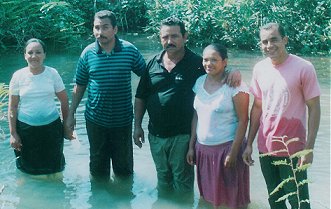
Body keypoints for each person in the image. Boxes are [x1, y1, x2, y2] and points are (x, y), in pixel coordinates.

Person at [133, 16, 241, 194]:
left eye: (174, 36)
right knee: (162, 178)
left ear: (185, 37)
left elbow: (216, 69)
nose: (170, 41)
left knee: (182, 182)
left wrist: (233, 71)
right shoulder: (152, 63)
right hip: (156, 135)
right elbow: (140, 97)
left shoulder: (197, 63)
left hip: (183, 135)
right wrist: (137, 126)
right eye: (165, 37)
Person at [242, 23, 321, 209]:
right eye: (264, 42)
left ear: (285, 40)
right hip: (266, 147)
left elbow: (314, 109)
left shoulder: (304, 68)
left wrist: (308, 149)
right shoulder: (259, 69)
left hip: (294, 148)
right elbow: (257, 108)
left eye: (274, 40)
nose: (269, 45)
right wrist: (249, 144)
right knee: (275, 198)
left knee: (299, 201)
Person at [65, 10, 146, 180]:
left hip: (122, 120)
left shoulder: (129, 51)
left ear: (115, 29)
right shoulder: (88, 53)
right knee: (98, 169)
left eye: (105, 27)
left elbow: (147, 80)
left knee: (124, 170)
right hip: (95, 120)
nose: (99, 32)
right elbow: (79, 86)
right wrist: (71, 114)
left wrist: (141, 121)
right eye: (96, 28)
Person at [186, 43, 250, 209]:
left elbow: (244, 120)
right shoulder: (199, 82)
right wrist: (192, 146)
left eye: (214, 60)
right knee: (209, 199)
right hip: (203, 151)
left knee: (233, 200)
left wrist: (233, 152)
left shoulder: (235, 86)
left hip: (227, 150)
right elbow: (196, 116)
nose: (209, 63)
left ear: (225, 62)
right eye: (206, 59)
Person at [8, 38, 70, 175]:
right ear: (25, 55)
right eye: (30, 52)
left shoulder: (52, 73)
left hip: (52, 129)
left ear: (44, 55)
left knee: (55, 168)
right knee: (27, 170)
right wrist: (13, 133)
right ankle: (29, 194)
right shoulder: (18, 76)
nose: (34, 56)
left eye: (38, 52)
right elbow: (12, 107)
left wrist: (66, 125)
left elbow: (64, 101)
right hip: (26, 130)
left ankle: (55, 194)